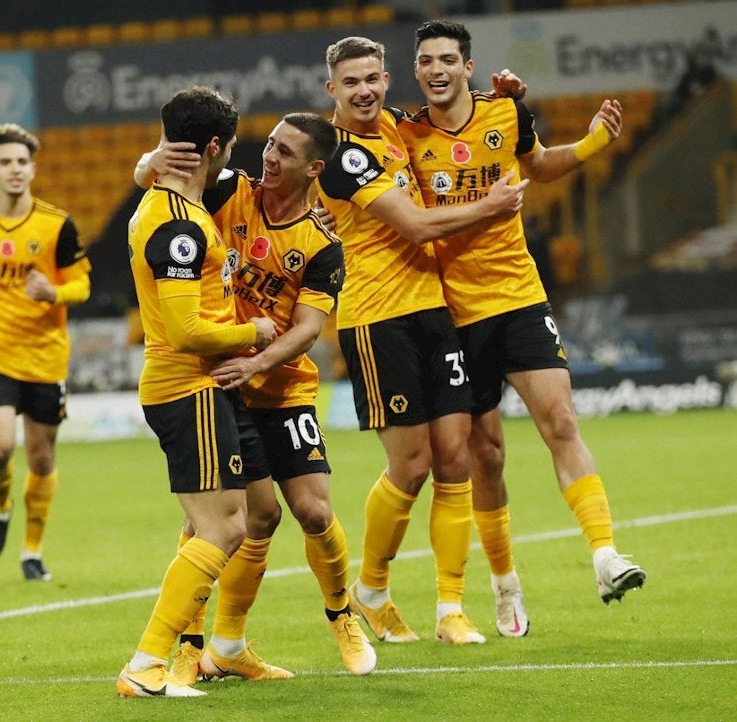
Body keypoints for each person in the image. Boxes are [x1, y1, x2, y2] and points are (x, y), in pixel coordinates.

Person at [398, 19, 646, 637]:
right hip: (453, 313)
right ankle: (505, 584)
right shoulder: (402, 134)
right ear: (417, 70)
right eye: (426, 59)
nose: (436, 69)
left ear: (467, 66)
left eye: (447, 59)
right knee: (487, 456)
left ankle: (604, 554)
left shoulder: (507, 112)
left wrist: (591, 144)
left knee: (560, 421)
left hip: (517, 295)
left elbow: (539, 166)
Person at [135, 112, 377, 680]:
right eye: (269, 145)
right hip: (217, 375)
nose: (269, 157)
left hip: (281, 384)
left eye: (285, 153)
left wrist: (259, 362)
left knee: (313, 511)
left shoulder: (322, 243)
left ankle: (341, 613)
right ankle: (207, 647)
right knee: (231, 519)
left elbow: (309, 326)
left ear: (314, 168)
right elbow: (162, 186)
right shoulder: (228, 191)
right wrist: (148, 161)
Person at [315, 36, 528, 646]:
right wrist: (489, 207)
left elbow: (458, 115)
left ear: (386, 81)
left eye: (372, 79)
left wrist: (509, 95)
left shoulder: (393, 127)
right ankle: (373, 589)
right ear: (332, 89)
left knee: (456, 458)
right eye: (350, 82)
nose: (363, 91)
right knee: (411, 466)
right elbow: (414, 224)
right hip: (377, 318)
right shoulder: (341, 153)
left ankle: (450, 608)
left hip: (435, 309)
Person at [116, 86, 277, 699]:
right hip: (189, 385)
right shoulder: (179, 228)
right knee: (220, 529)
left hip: (203, 386)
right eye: (229, 147)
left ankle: (209, 651)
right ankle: (148, 662)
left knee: (245, 517)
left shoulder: (161, 203)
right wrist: (253, 331)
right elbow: (185, 331)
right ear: (213, 147)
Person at [0, 123, 92, 582]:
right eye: (6, 161)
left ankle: (32, 550)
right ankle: (0, 506)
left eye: (22, 162)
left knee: (42, 458)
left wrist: (54, 292)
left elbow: (83, 284)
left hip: (45, 357)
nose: (15, 169)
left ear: (33, 168)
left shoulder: (56, 224)